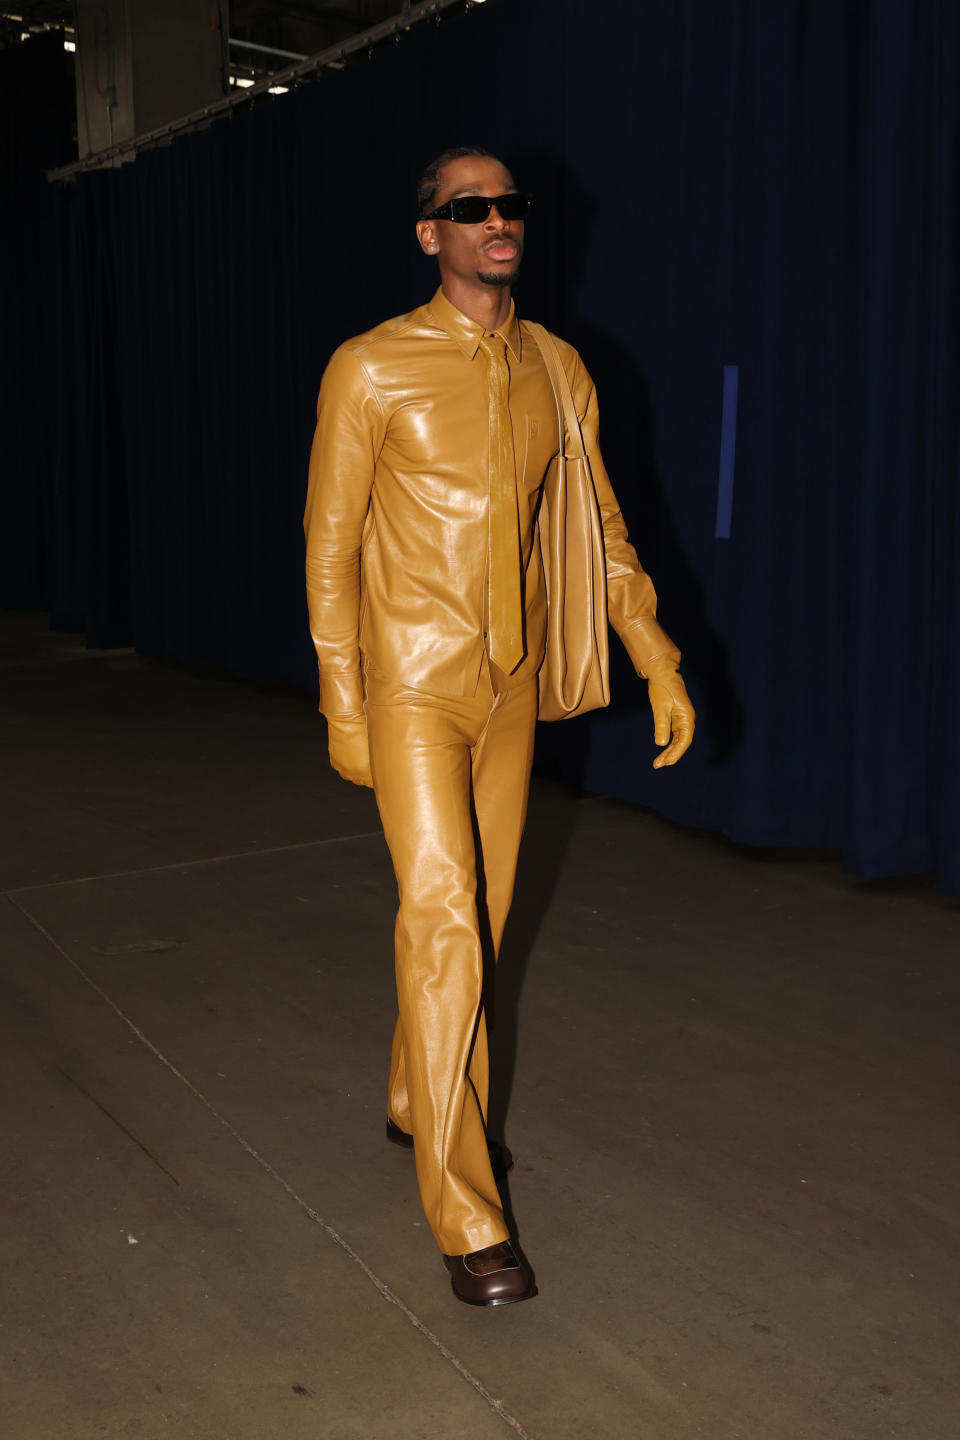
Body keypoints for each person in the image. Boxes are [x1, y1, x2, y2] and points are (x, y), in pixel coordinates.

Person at [303, 147, 695, 1308]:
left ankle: (420, 1095)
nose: (495, 220)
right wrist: (343, 698)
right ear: (429, 234)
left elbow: (605, 530)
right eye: (467, 207)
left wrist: (655, 651)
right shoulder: (371, 368)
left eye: (508, 204)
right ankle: (467, 1213)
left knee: (477, 915)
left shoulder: (559, 370)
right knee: (444, 921)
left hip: (511, 692)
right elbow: (328, 551)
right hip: (413, 687)